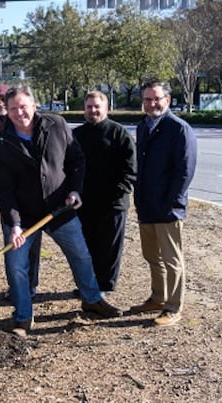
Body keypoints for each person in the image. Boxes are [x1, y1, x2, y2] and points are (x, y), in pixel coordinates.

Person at [0, 86, 124, 337]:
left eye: (24, 106)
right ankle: (22, 316)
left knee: (81, 255)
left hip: (58, 208)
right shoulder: (0, 143)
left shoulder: (56, 125)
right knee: (17, 266)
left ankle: (92, 299)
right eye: (13, 108)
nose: (20, 113)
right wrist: (15, 225)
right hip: (24, 215)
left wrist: (74, 190)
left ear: (34, 105)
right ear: (6, 111)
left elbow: (77, 160)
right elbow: (4, 190)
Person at [127, 80, 197, 326]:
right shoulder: (143, 126)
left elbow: (184, 171)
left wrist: (172, 203)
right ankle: (158, 298)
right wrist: (138, 197)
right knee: (151, 256)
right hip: (146, 205)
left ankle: (173, 307)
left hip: (168, 207)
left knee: (172, 259)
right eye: (147, 99)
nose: (151, 103)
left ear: (167, 100)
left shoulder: (179, 129)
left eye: (156, 99)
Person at [73, 91, 137, 293]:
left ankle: (105, 287)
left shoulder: (119, 134)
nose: (93, 111)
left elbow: (131, 170)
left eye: (97, 107)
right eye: (89, 107)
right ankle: (88, 285)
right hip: (85, 203)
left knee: (108, 249)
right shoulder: (77, 135)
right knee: (86, 249)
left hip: (113, 204)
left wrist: (119, 191)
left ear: (106, 108)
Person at [0, 84, 40, 299]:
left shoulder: (29, 122)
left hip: (33, 193)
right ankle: (15, 286)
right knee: (11, 239)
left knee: (33, 240)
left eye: (2, 101)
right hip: (6, 192)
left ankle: (31, 284)